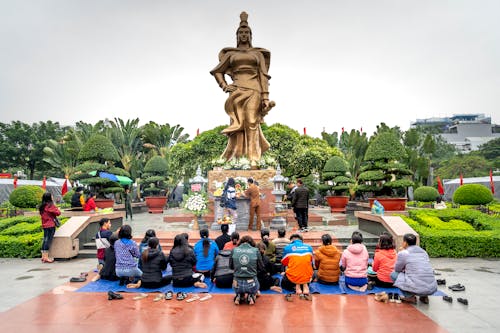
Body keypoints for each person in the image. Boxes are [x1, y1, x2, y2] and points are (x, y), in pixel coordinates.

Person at [210, 11, 275, 168]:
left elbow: (263, 75)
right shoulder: (232, 54)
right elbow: (217, 71)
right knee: (237, 126)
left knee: (252, 121)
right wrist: (224, 85)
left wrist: (265, 97)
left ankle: (254, 159)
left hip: (254, 90)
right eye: (241, 32)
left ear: (250, 35)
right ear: (237, 35)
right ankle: (236, 157)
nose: (244, 35)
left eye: (246, 32)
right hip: (236, 91)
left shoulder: (257, 54)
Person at [392, 233, 437, 304]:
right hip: (431, 288)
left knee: (393, 275)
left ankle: (409, 297)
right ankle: (424, 296)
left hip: (417, 286)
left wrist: (400, 253)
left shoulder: (403, 253)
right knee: (422, 274)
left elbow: (397, 269)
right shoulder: (424, 252)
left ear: (405, 243)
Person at [230, 235, 263, 305]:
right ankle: (251, 295)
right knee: (256, 285)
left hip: (237, 284)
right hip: (251, 283)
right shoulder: (256, 250)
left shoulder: (234, 250)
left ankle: (239, 294)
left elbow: (231, 267)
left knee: (237, 283)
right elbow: (261, 267)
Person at [281, 233, 314, 301]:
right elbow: (310, 261)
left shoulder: (287, 248)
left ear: (291, 241)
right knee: (305, 267)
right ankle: (304, 286)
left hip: (292, 279)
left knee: (290, 270)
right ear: (301, 240)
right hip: (307, 277)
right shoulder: (309, 247)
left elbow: (284, 263)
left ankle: (297, 285)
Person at [39, 192, 61, 263]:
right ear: (49, 198)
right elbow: (58, 213)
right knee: (48, 241)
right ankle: (46, 257)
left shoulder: (42, 206)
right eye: (51, 196)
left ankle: (43, 257)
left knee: (45, 240)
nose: (52, 197)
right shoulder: (50, 206)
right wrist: (57, 208)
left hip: (45, 225)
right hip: (50, 225)